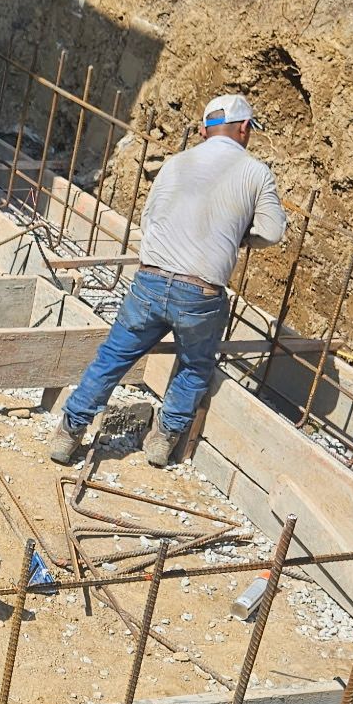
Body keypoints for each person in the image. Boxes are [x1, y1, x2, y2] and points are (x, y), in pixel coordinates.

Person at [51, 92, 287, 468]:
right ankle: (162, 442)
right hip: (201, 293)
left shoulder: (176, 163)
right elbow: (273, 232)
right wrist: (239, 235)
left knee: (113, 357)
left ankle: (69, 432)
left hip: (151, 280)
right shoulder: (255, 172)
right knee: (195, 365)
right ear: (244, 128)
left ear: (204, 130)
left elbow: (149, 219)